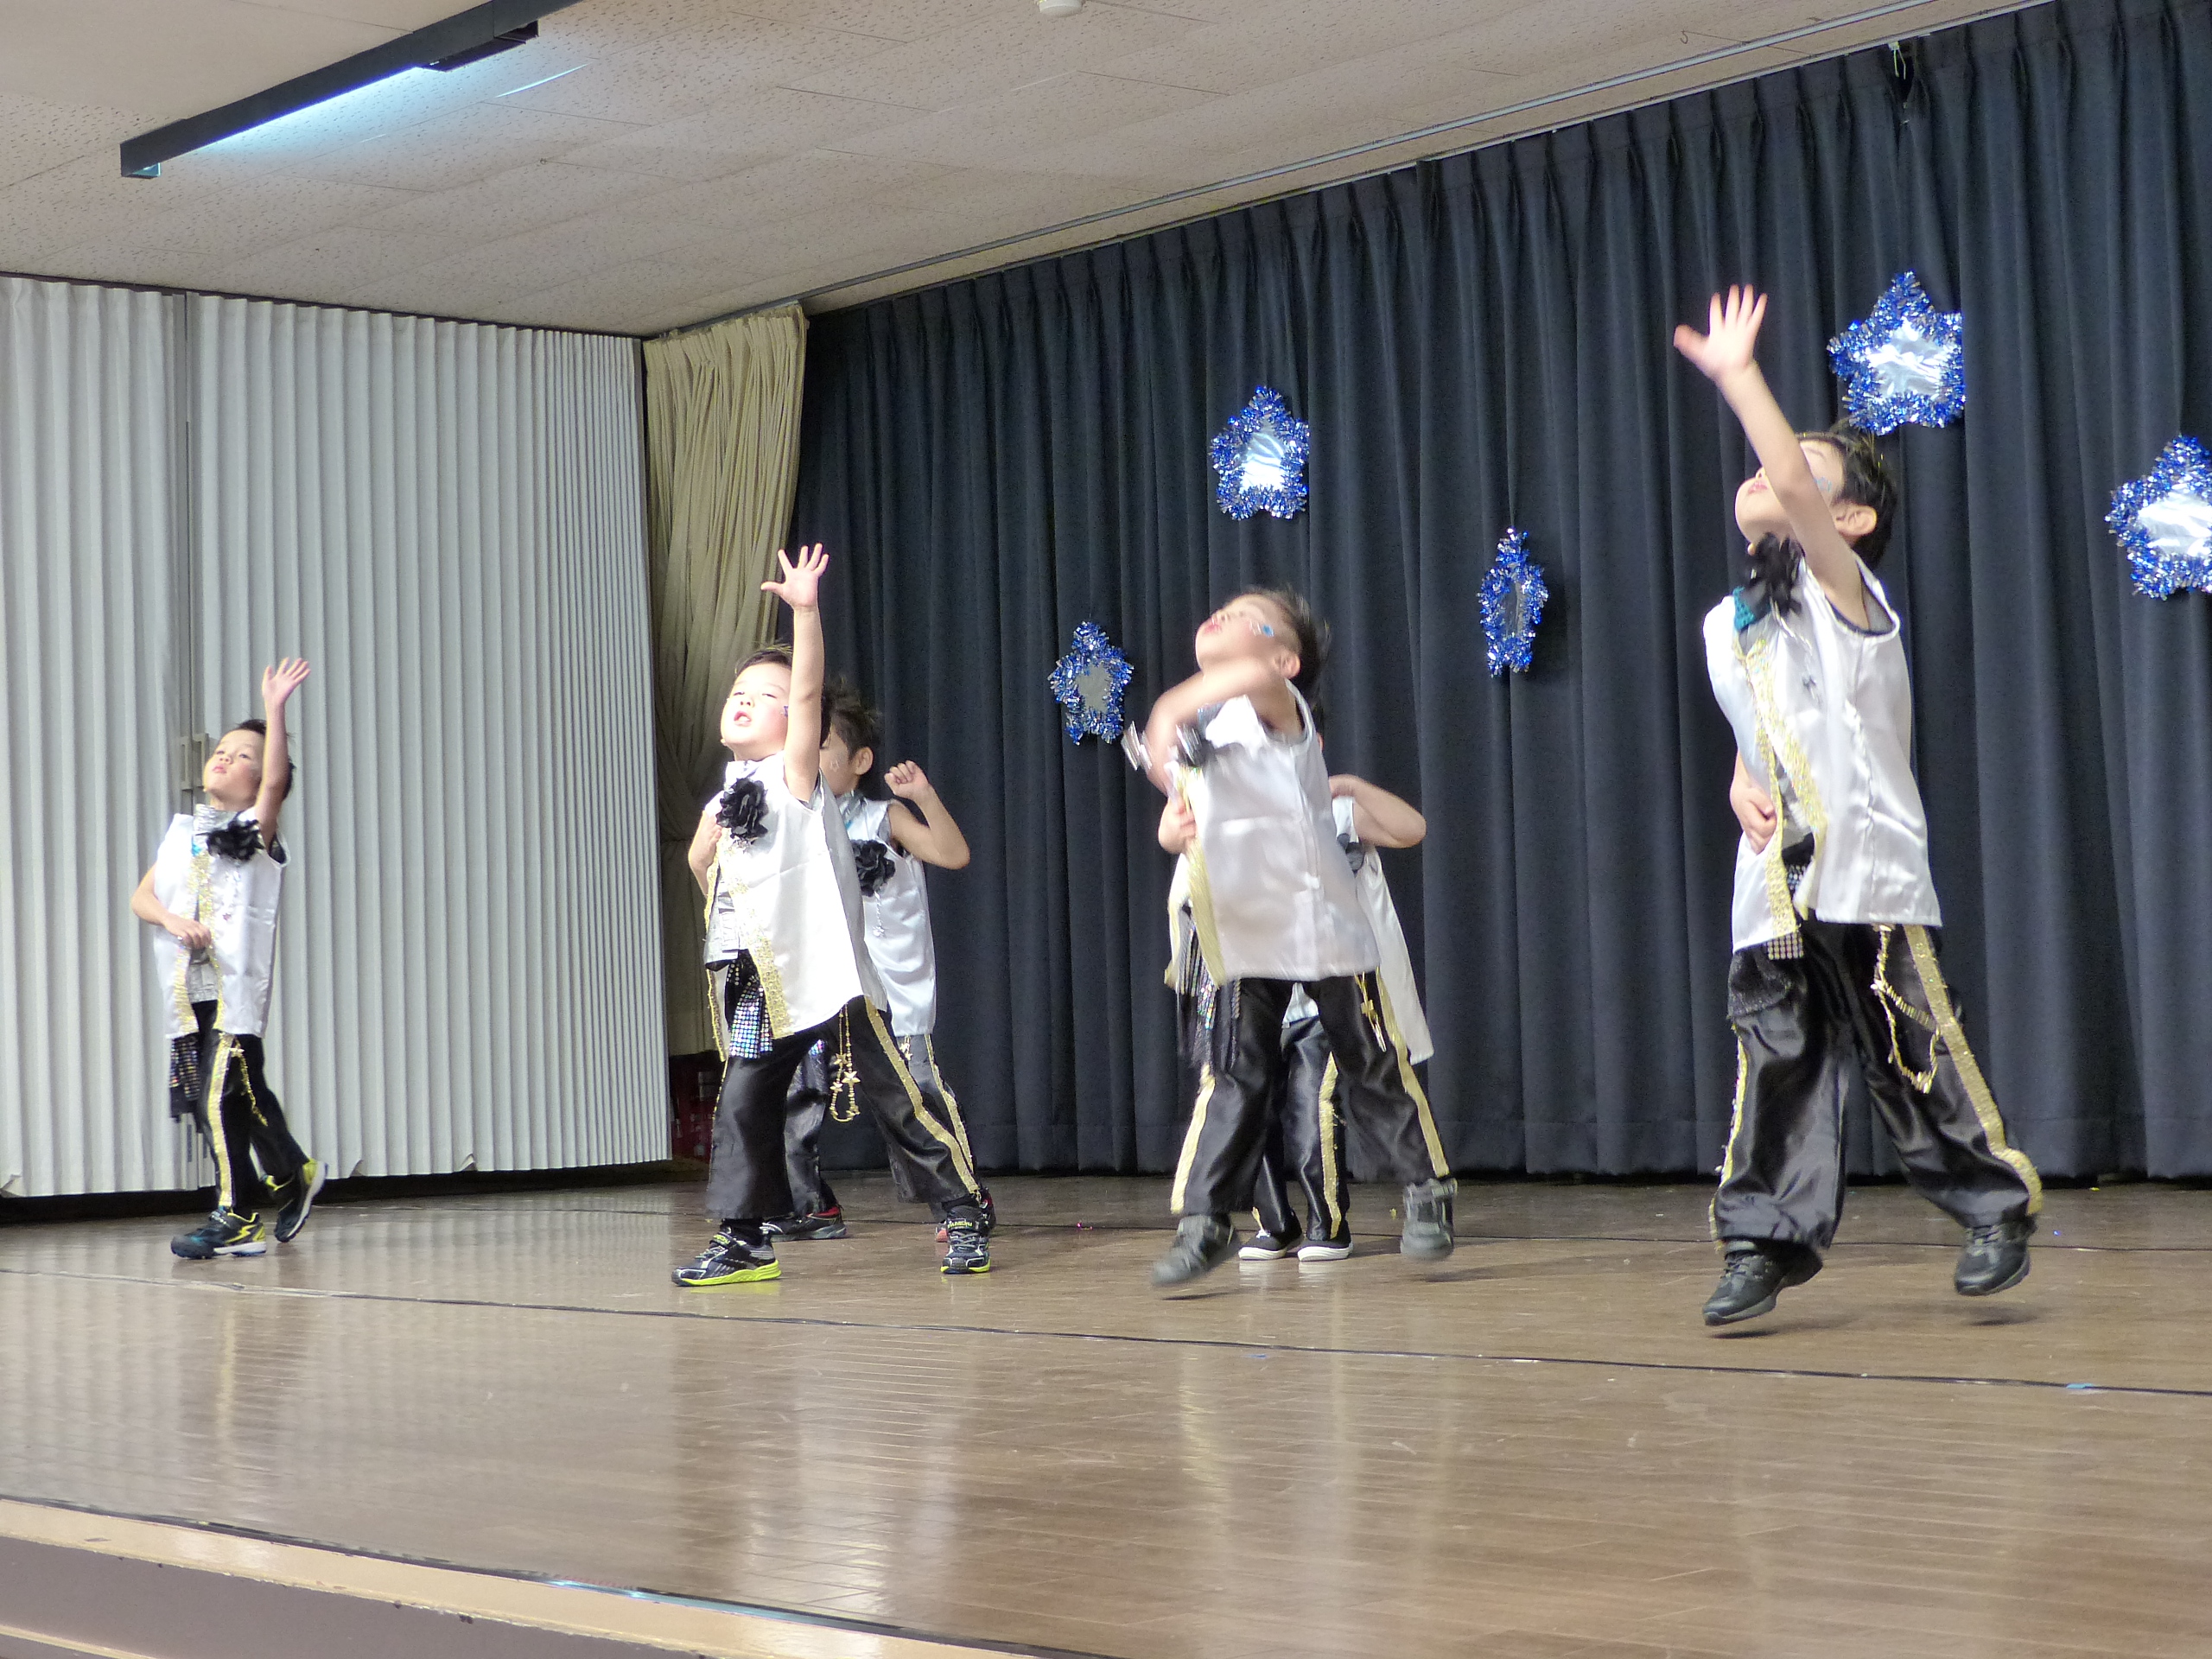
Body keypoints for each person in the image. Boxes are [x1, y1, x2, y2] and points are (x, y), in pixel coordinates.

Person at [1675, 285, 2040, 1326]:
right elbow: (1762, 723)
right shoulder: (1726, 623)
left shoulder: (1847, 596)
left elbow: (1792, 487)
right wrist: (1739, 774)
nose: (1764, 471)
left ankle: (1992, 1207)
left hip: (1864, 865)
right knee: (1776, 1060)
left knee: (1908, 1044)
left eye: (1792, 467)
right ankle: (1761, 1240)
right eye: (1759, 460)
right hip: (1772, 885)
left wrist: (1740, 377)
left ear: (1850, 520)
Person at [677, 546, 990, 1286]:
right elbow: (707, 873)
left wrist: (805, 612)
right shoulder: (726, 796)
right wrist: (709, 877)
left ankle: (963, 1211)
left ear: (803, 726)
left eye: (767, 694)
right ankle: (745, 1238)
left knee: (897, 1096)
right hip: (763, 983)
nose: (744, 700)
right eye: (739, 692)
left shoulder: (793, 777)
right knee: (745, 1103)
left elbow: (810, 690)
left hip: (830, 978)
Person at [1141, 588, 1454, 1287]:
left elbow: (1252, 675)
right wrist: (1174, 824)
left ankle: (1425, 1189)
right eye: (1218, 609)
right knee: (1235, 1073)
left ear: (1286, 660)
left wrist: (1166, 710)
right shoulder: (1204, 730)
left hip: (1317, 919)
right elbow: (1179, 816)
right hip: (1243, 926)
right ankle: (1205, 1220)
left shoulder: (1281, 709)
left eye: (1246, 616)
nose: (1219, 614)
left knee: (1371, 1061)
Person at [763, 683, 995, 1245]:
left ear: (860, 760)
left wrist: (924, 798)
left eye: (822, 745)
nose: (808, 754)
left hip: (891, 984)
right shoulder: (795, 821)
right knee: (797, 1091)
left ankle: (962, 1199)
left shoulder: (881, 817)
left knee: (914, 1093)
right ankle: (810, 1204)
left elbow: (953, 854)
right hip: (823, 987)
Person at [132, 659, 322, 1260]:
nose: (225, 758)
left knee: (222, 1098)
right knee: (223, 1101)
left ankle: (237, 1215)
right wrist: (172, 920)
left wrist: (274, 709)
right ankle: (290, 1172)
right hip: (189, 994)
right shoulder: (182, 835)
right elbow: (142, 897)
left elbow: (274, 786)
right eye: (221, 750)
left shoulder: (253, 833)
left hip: (233, 991)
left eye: (243, 756)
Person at [1239, 771, 1431, 1262]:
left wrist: (1351, 787)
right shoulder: (1239, 817)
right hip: (1263, 991)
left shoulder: (1336, 812)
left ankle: (1328, 1225)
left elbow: (1412, 829)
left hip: (1329, 995)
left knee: (1314, 1106)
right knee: (1249, 1108)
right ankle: (1274, 1223)